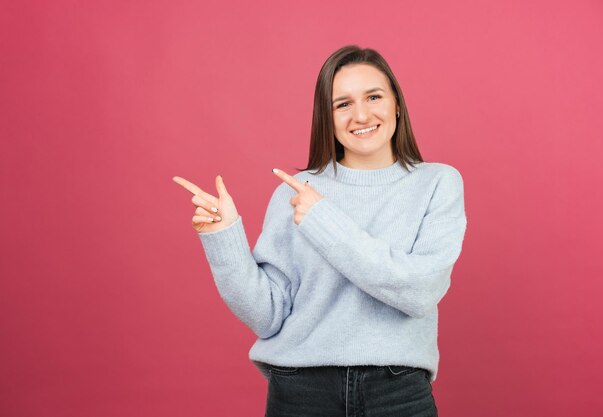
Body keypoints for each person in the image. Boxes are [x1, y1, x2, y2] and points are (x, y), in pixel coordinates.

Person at [173, 45, 467, 417]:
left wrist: (322, 219)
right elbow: (267, 316)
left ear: (396, 104)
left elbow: (419, 292)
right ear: (326, 117)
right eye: (342, 104)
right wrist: (225, 237)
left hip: (397, 392)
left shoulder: (437, 182)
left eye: (373, 96)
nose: (361, 114)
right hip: (301, 392)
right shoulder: (293, 193)